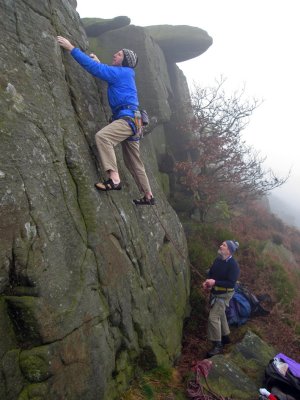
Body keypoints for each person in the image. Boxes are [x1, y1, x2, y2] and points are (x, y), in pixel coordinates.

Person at [57, 36, 155, 206]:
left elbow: (95, 69)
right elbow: (105, 70)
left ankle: (114, 179)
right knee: (133, 161)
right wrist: (100, 63)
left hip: (128, 118)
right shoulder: (124, 74)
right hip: (135, 121)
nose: (114, 55)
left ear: (124, 61)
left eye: (118, 55)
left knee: (103, 137)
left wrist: (71, 48)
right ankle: (148, 195)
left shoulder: (122, 73)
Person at [202, 240, 240, 357]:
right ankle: (225, 337)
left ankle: (217, 345)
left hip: (224, 295)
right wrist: (207, 283)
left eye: (223, 245)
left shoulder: (233, 265)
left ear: (229, 250)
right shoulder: (218, 260)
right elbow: (211, 273)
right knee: (221, 314)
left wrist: (215, 282)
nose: (220, 246)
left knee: (213, 317)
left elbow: (231, 283)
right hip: (216, 292)